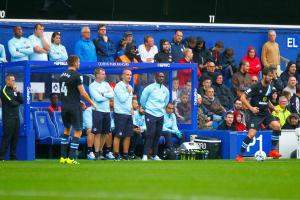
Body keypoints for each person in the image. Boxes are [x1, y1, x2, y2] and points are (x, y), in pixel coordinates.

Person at [236, 67, 282, 162]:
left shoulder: (270, 87)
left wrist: (274, 108)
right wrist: (251, 108)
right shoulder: (255, 86)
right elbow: (242, 98)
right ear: (264, 76)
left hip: (265, 112)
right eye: (269, 76)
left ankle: (273, 150)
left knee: (277, 126)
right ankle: (240, 155)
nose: (271, 78)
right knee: (251, 134)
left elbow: (266, 100)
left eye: (272, 76)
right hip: (256, 114)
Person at [58, 55, 96, 165]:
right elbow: (82, 92)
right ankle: (71, 158)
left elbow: (68, 92)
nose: (79, 64)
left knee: (66, 130)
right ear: (74, 63)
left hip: (64, 106)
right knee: (78, 131)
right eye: (78, 62)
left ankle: (63, 157)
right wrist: (91, 102)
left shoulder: (62, 75)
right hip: (74, 107)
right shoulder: (77, 75)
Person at [140, 72, 169, 161]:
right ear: (155, 77)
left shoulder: (165, 90)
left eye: (162, 76)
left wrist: (160, 109)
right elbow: (142, 100)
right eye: (159, 76)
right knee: (150, 134)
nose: (161, 78)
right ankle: (145, 155)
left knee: (158, 135)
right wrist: (148, 109)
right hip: (150, 113)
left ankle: (154, 155)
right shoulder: (149, 88)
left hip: (160, 115)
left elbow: (166, 102)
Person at [89, 68, 114, 160]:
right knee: (98, 133)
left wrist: (103, 94)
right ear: (97, 75)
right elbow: (97, 99)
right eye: (102, 74)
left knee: (105, 133)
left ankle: (100, 151)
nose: (105, 75)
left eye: (104, 73)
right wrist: (107, 96)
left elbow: (113, 94)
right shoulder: (92, 86)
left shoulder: (106, 84)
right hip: (97, 111)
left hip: (107, 111)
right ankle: (96, 153)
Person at [0, 74, 24, 160]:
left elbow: (22, 100)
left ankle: (13, 156)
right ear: (7, 81)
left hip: (16, 117)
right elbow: (12, 103)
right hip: (8, 118)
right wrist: (17, 102)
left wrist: (17, 92)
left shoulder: (14, 90)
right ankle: (1, 156)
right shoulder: (4, 91)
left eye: (14, 80)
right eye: (12, 80)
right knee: (7, 137)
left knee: (15, 137)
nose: (14, 82)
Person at [113, 69, 134, 160]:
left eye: (130, 75)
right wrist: (128, 92)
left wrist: (131, 108)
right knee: (118, 135)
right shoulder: (119, 86)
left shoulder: (130, 86)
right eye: (127, 74)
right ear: (122, 76)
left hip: (128, 114)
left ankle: (125, 155)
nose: (129, 76)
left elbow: (129, 100)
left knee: (128, 135)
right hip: (120, 114)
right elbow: (122, 99)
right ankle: (116, 155)